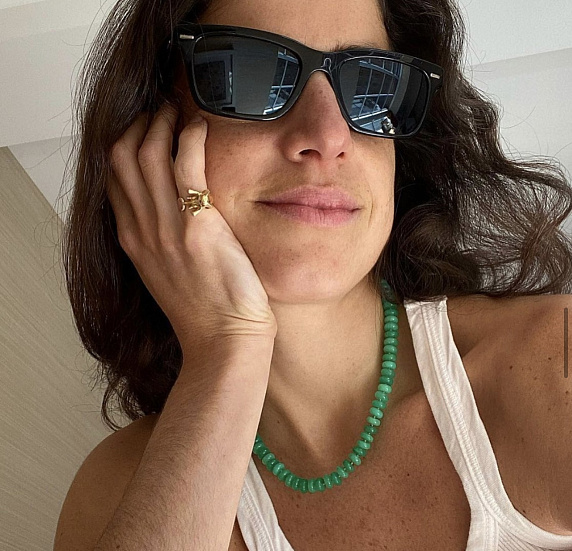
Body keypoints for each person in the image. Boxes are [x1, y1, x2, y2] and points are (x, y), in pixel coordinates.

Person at [53, 0, 572, 548]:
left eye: (371, 84)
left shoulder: (554, 358)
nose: (328, 136)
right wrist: (227, 345)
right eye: (252, 73)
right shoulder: (114, 493)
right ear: (150, 143)